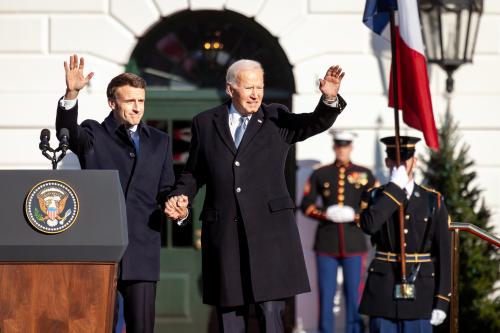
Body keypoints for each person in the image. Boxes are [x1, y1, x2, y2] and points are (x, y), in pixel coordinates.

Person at [164, 59, 347, 333]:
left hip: (270, 234)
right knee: (230, 314)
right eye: (249, 87)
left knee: (270, 311)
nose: (255, 94)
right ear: (230, 89)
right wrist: (182, 196)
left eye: (259, 87)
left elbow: (313, 123)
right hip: (224, 233)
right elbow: (194, 172)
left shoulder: (276, 117)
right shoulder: (205, 122)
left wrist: (329, 98)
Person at [55, 54, 175, 333]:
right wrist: (71, 94)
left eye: (141, 101)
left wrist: (176, 203)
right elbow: (68, 132)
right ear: (112, 102)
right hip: (101, 247)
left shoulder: (160, 141)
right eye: (130, 101)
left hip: (143, 249)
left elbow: (166, 187)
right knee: (98, 325)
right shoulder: (93, 134)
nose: (137, 108)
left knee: (142, 328)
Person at [358, 136, 451, 333]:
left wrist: (442, 299)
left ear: (414, 162)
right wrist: (394, 190)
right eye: (394, 160)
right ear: (387, 162)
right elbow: (369, 225)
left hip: (420, 292)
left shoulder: (432, 200)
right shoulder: (375, 197)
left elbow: (444, 253)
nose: (400, 165)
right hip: (383, 292)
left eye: (405, 160)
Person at [300, 130, 377, 333]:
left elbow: (376, 206)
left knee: (354, 295)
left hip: (354, 242)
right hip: (327, 243)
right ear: (334, 147)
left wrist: (356, 215)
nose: (342, 150)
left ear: (351, 147)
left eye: (345, 146)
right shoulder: (320, 173)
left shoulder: (366, 174)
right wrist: (326, 214)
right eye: (338, 146)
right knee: (326, 295)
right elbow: (306, 205)